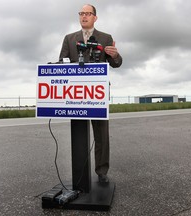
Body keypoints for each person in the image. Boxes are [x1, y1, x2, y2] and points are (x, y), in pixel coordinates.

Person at [59, 4, 123, 183]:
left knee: (101, 134)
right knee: (79, 131)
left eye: (88, 13)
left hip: (97, 94)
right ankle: (80, 172)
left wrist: (115, 55)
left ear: (95, 17)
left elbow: (116, 63)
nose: (84, 16)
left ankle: (102, 171)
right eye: (81, 13)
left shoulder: (105, 37)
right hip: (76, 95)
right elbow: (62, 62)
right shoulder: (69, 39)